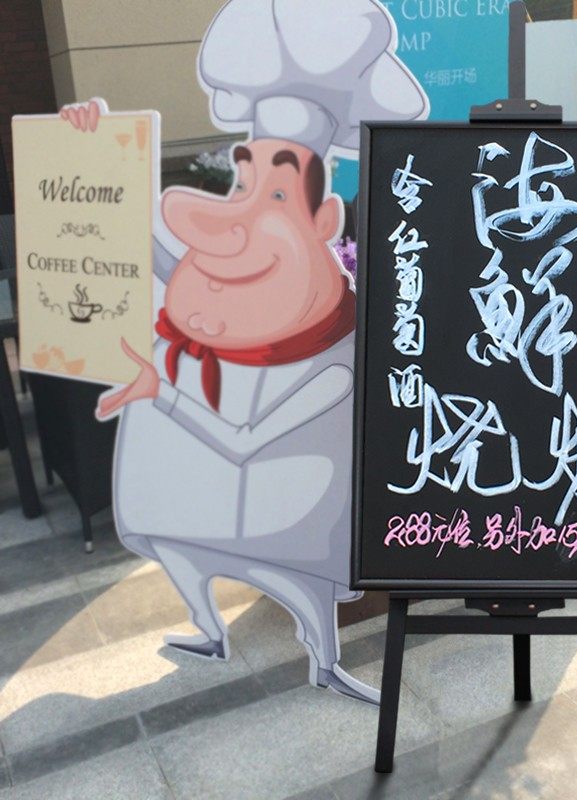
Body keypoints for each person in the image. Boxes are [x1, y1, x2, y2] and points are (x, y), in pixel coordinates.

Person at [66, 0, 428, 704]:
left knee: (299, 568)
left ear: (324, 221)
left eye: (278, 193)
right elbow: (143, 241)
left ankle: (323, 659)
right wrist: (94, 147)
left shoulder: (339, 345)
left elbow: (245, 440)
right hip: (206, 496)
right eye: (241, 184)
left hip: (287, 502)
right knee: (178, 536)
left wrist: (162, 394)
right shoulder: (219, 287)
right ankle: (207, 624)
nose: (242, 213)